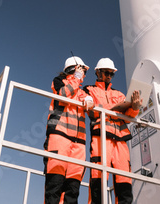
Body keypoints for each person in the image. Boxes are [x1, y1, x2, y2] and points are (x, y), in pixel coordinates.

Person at [83, 58, 141, 204]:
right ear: (97, 72)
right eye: (107, 73)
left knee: (124, 181)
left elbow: (127, 118)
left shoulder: (120, 95)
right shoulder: (89, 90)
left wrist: (134, 107)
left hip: (120, 140)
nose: (109, 76)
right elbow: (91, 110)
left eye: (112, 74)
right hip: (100, 138)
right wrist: (114, 109)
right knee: (98, 178)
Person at [44, 56, 94, 204]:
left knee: (73, 188)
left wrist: (90, 102)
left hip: (78, 143)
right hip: (59, 137)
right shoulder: (60, 82)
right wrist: (76, 78)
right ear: (75, 68)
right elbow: (64, 95)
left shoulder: (82, 92)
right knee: (55, 184)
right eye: (83, 70)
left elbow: (92, 106)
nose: (84, 74)